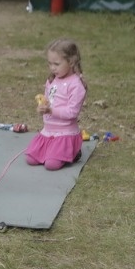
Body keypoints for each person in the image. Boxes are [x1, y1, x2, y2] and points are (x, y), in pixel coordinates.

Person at [23, 38, 88, 170]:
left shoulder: (76, 85)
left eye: (56, 64)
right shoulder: (52, 80)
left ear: (71, 62)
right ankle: (53, 151)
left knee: (51, 165)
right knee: (30, 159)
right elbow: (48, 100)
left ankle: (73, 152)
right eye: (50, 64)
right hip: (48, 131)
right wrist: (42, 107)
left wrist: (51, 111)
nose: (52, 68)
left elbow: (72, 112)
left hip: (65, 134)